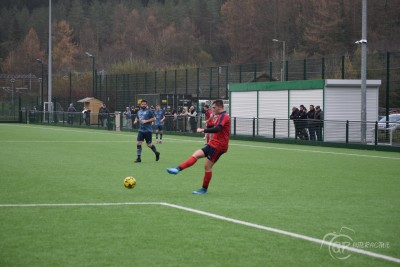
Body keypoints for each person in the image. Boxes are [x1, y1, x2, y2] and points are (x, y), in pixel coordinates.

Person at [166, 99, 230, 195]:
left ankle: (204, 189)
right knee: (196, 154)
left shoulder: (224, 116)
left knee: (207, 166)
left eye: (214, 107)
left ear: (220, 107)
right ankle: (177, 169)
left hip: (219, 146)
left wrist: (203, 130)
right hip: (213, 143)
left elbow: (218, 129)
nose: (212, 109)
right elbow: (215, 126)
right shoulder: (219, 116)